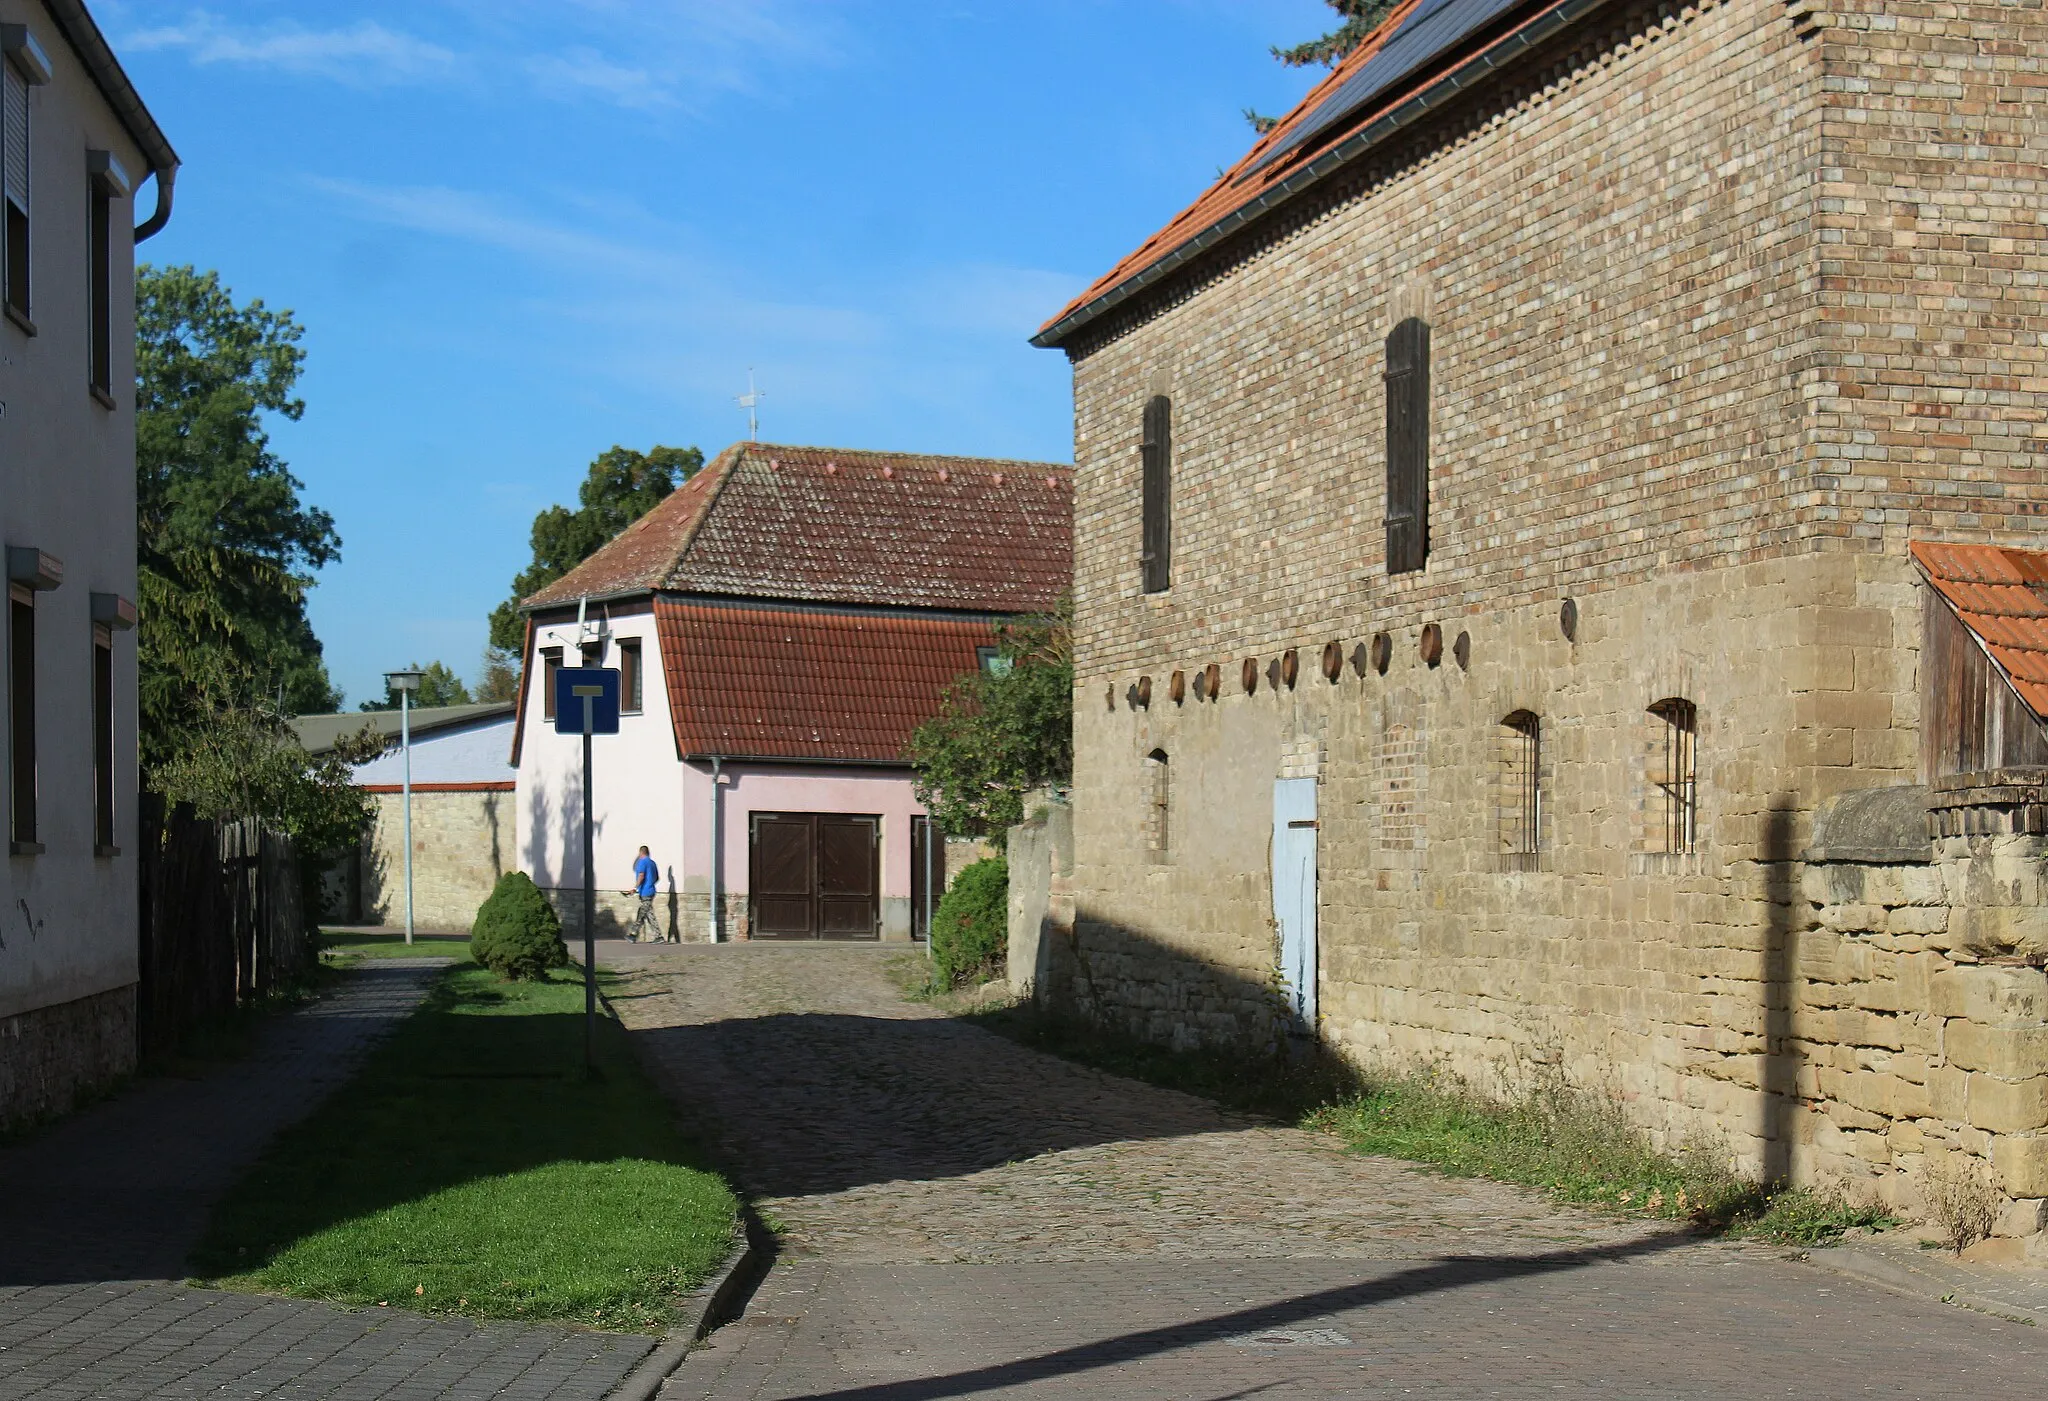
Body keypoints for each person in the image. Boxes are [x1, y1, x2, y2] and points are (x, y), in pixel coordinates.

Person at [628, 846, 663, 942]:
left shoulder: (642, 862)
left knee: (643, 913)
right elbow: (657, 877)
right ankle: (657, 936)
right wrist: (651, 883)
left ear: (641, 853)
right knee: (647, 913)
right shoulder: (652, 863)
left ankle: (633, 934)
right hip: (651, 891)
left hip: (645, 892)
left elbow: (641, 875)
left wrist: (635, 888)